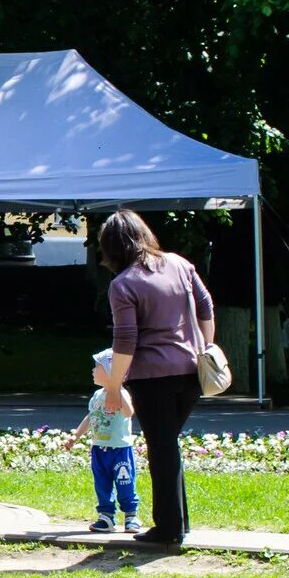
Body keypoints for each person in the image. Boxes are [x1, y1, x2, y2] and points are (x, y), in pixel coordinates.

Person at [98, 209, 215, 546]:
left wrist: (114, 385)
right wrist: (205, 347)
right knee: (167, 447)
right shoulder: (179, 264)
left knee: (162, 449)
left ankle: (168, 530)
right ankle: (179, 522)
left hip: (152, 378)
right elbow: (206, 307)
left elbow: (125, 340)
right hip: (191, 373)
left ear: (111, 248)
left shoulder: (123, 285)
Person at [62, 348, 141, 533]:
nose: (92, 371)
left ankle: (131, 515)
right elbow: (91, 417)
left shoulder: (121, 393)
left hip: (120, 449)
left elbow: (129, 413)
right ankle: (106, 517)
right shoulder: (97, 396)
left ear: (110, 372)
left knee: (125, 482)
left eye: (97, 367)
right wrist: (76, 435)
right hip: (99, 449)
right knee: (102, 484)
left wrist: (117, 388)